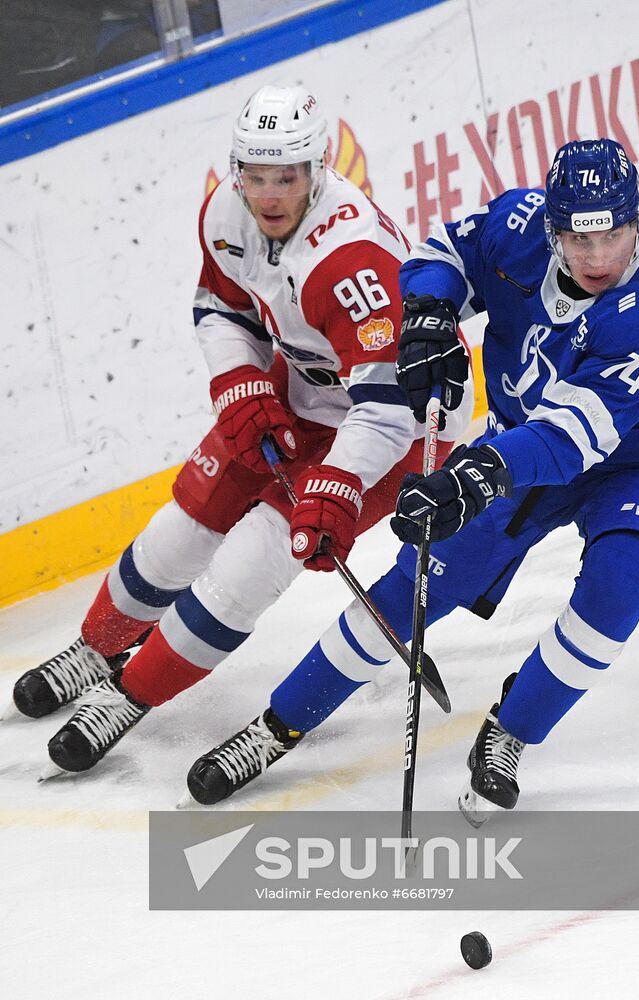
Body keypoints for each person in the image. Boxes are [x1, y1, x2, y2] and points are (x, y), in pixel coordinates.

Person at [179, 137, 639, 820]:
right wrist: (430, 313)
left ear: (635, 222)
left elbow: (576, 435)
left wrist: (475, 474)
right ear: (550, 226)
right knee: (412, 585)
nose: (593, 259)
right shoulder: (518, 225)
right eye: (574, 240)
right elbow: (442, 253)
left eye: (610, 237)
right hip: (522, 443)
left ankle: (511, 732)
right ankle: (278, 725)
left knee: (621, 585)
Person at [6, 85, 473, 776]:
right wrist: (239, 380)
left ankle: (128, 697)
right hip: (304, 384)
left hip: (393, 428)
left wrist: (335, 487)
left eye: (285, 176)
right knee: (181, 529)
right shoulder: (226, 212)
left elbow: (387, 406)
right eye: (255, 175)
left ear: (317, 168)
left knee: (249, 563)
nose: (268, 194)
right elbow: (220, 306)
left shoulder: (352, 262)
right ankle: (97, 647)